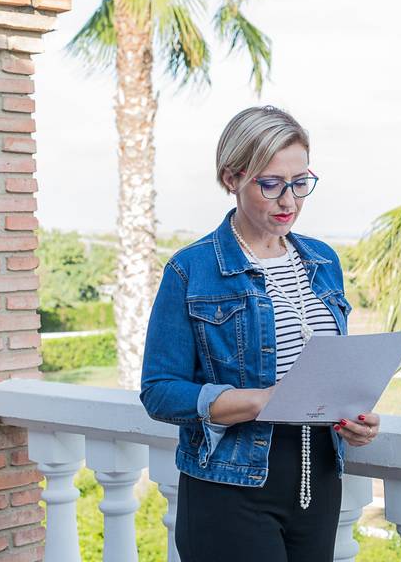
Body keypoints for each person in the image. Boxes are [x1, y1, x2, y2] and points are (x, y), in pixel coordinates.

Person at [140, 106, 381, 562]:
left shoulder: (323, 261)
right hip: (231, 487)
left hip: (320, 478)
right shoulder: (192, 269)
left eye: (300, 182)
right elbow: (159, 392)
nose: (289, 200)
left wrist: (355, 414)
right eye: (271, 184)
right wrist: (261, 400)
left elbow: (329, 367)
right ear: (232, 178)